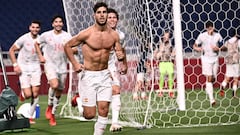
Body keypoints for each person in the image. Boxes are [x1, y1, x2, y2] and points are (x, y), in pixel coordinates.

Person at [64, 2, 127, 135]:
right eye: (99, 12)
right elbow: (67, 46)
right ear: (94, 15)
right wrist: (75, 64)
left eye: (104, 12)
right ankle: (79, 101)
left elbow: (120, 51)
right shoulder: (86, 34)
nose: (102, 15)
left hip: (105, 75)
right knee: (89, 115)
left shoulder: (114, 35)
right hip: (89, 76)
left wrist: (122, 60)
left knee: (104, 110)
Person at [35, 15, 72, 126]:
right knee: (54, 85)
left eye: (60, 22)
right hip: (50, 64)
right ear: (52, 24)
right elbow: (36, 44)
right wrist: (41, 56)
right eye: (56, 22)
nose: (58, 24)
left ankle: (52, 108)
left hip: (62, 65)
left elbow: (72, 47)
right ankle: (52, 113)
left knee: (60, 90)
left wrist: (73, 51)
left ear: (63, 24)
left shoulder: (67, 36)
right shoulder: (46, 35)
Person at [9, 20, 42, 124]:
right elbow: (11, 50)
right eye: (33, 27)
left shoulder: (41, 39)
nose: (35, 29)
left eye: (37, 27)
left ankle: (30, 116)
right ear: (30, 28)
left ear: (39, 29)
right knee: (28, 95)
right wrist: (15, 65)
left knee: (35, 93)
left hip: (36, 67)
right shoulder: (24, 38)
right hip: (23, 67)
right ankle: (23, 93)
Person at [107, 8, 127, 132]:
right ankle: (79, 100)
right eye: (110, 17)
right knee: (89, 112)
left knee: (116, 90)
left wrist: (124, 64)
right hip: (95, 67)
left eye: (114, 17)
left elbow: (121, 50)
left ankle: (114, 122)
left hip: (111, 66)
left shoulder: (120, 35)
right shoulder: (98, 33)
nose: (112, 19)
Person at [193, 21, 223, 106]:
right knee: (209, 78)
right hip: (206, 59)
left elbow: (223, 46)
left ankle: (208, 88)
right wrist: (197, 49)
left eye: (212, 28)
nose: (211, 30)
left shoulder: (217, 35)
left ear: (214, 27)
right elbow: (194, 45)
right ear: (206, 29)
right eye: (209, 28)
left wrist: (218, 48)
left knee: (213, 78)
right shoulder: (202, 36)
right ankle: (212, 99)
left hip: (215, 58)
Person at [154, 31, 175, 98]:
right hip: (162, 62)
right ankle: (160, 92)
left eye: (167, 36)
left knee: (170, 78)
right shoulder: (160, 44)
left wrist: (173, 55)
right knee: (162, 78)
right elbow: (155, 53)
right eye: (165, 35)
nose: (166, 37)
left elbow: (173, 52)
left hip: (169, 62)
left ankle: (171, 92)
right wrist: (157, 56)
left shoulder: (171, 44)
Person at [220, 29, 240, 98]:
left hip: (228, 60)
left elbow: (223, 48)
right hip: (235, 60)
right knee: (236, 78)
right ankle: (234, 93)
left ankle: (222, 86)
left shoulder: (227, 41)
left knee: (227, 77)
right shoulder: (238, 41)